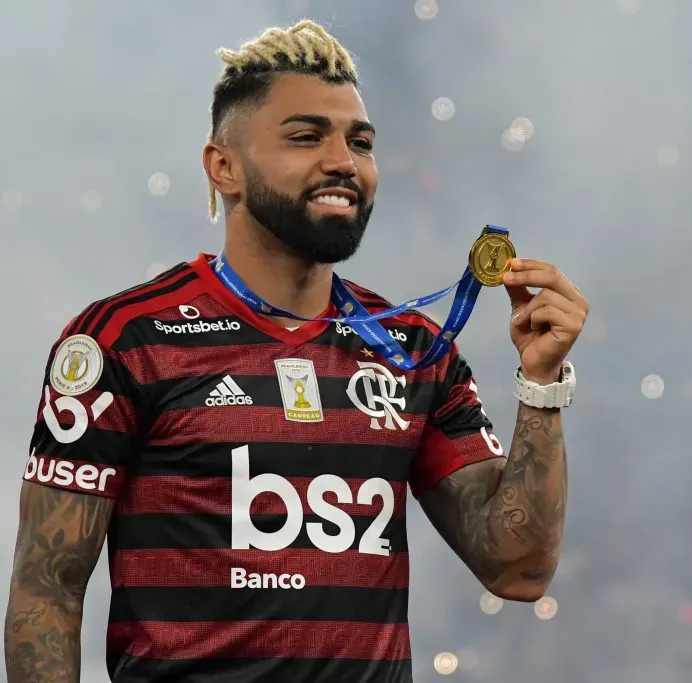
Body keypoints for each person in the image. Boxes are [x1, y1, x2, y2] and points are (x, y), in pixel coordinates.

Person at [4, 20, 587, 683]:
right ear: (224, 167)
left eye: (359, 141)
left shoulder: (415, 351)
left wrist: (542, 383)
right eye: (306, 137)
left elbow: (518, 568)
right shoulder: (126, 340)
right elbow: (47, 588)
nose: (343, 160)